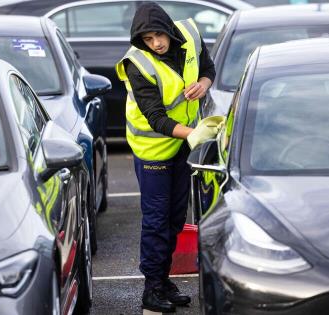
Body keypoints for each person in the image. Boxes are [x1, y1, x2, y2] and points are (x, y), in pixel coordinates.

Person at [115, 2, 216, 313]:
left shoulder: (190, 34)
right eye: (148, 39)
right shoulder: (137, 64)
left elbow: (208, 69)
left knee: (175, 218)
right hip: (153, 149)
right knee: (157, 221)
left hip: (181, 146)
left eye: (159, 35)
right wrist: (195, 134)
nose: (156, 44)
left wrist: (203, 85)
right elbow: (156, 118)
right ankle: (152, 288)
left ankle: (163, 280)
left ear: (169, 30)